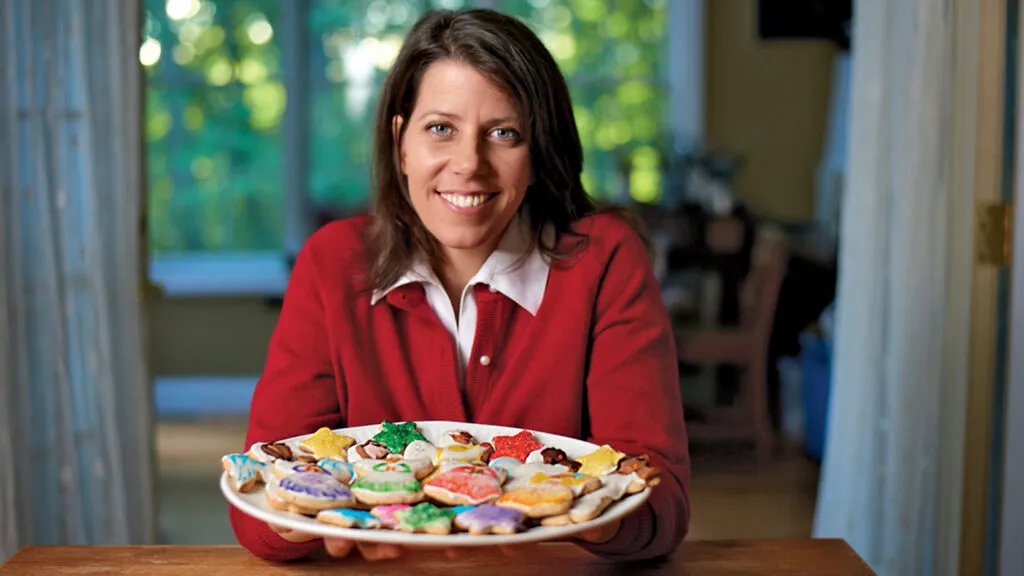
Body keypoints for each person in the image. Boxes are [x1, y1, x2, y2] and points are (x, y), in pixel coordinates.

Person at [230, 7, 690, 563]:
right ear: (401, 142)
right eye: (440, 129)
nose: (469, 164)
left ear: (537, 151)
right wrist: (307, 516)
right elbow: (257, 498)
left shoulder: (605, 261)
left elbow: (660, 503)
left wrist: (572, 505)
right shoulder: (332, 263)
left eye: (504, 133)